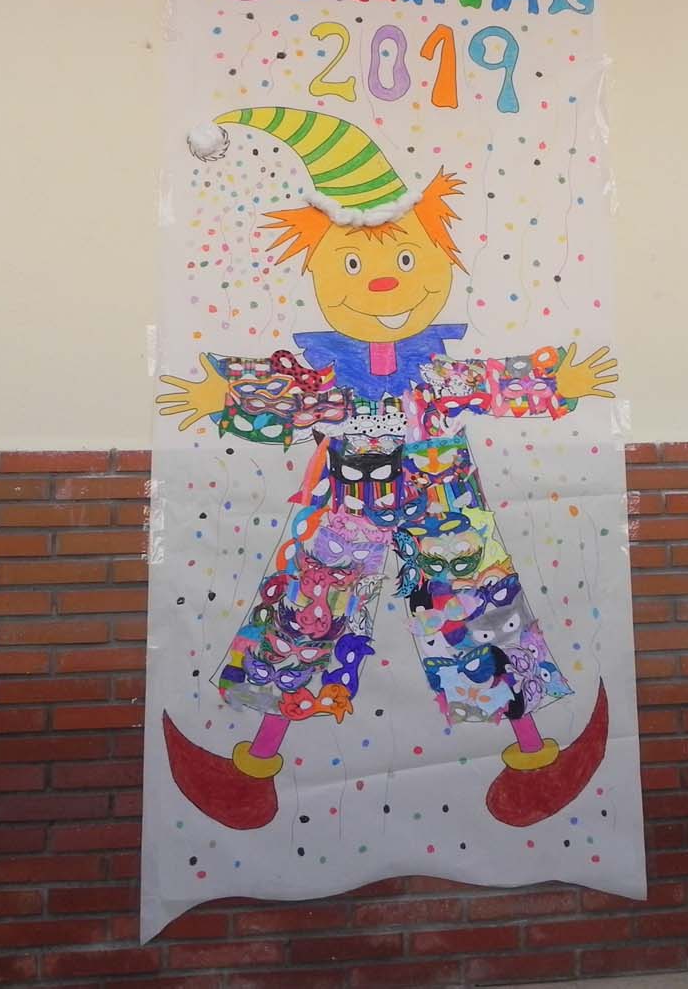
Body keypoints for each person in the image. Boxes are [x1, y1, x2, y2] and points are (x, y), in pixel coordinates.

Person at [158, 107, 618, 829]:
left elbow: (488, 382)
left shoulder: (435, 370)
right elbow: (295, 396)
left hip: (444, 509)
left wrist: (557, 382)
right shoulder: (329, 371)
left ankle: (533, 755)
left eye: (405, 260)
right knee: (307, 616)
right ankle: (254, 770)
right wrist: (228, 395)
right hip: (347, 506)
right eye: (353, 262)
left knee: (479, 613)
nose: (382, 279)